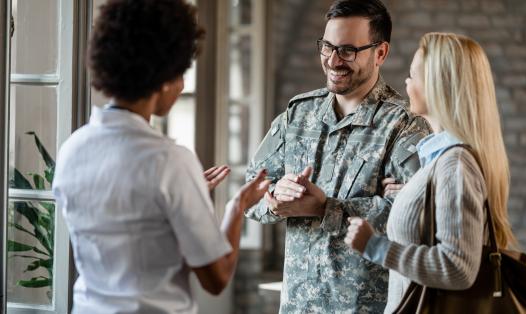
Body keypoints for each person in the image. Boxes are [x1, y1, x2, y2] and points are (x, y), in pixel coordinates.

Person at [52, 1, 270, 313]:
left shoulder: (73, 148)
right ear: (164, 75)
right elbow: (217, 277)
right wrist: (237, 207)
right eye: (182, 73)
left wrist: (184, 196)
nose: (182, 86)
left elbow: (124, 234)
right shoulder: (169, 161)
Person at [245, 0, 431, 312]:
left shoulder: (405, 126)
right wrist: (275, 199)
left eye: (347, 50)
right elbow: (250, 192)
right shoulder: (297, 114)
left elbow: (419, 220)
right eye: (327, 47)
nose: (333, 60)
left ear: (380, 53)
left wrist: (326, 208)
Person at [345, 32, 517, 314]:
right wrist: (416, 198)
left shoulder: (456, 164)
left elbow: (458, 268)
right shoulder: (445, 162)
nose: (406, 82)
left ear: (438, 86)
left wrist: (374, 246)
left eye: (413, 75)